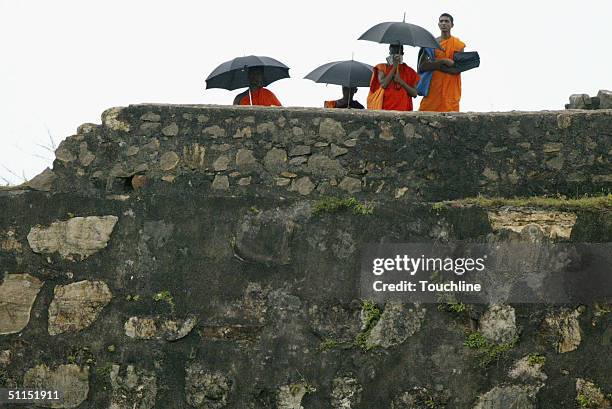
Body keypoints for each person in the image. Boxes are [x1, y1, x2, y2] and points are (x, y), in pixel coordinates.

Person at [418, 13, 465, 112]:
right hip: (433, 86)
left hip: (451, 88)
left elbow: (457, 69)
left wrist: (434, 63)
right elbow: (422, 66)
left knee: (451, 119)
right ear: (438, 24)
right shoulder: (430, 44)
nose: (443, 23)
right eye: (441, 21)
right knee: (426, 114)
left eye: (446, 21)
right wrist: (443, 61)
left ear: (452, 25)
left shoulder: (458, 45)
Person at [368, 44, 420, 111]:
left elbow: (414, 93)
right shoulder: (381, 67)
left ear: (402, 53)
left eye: (397, 53)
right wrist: (394, 67)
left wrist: (401, 82)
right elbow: (383, 84)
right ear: (389, 53)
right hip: (385, 110)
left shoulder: (410, 71)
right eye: (393, 53)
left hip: (404, 110)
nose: (395, 56)